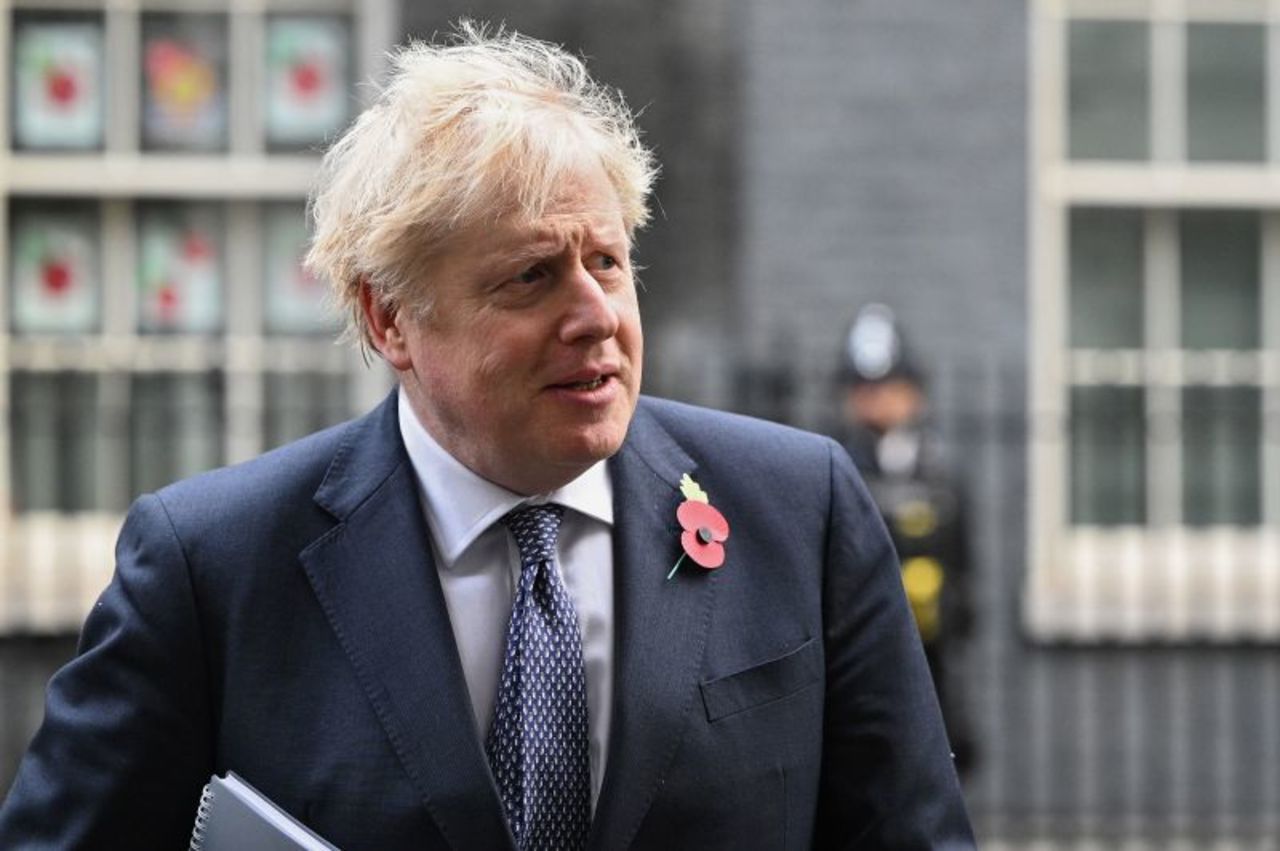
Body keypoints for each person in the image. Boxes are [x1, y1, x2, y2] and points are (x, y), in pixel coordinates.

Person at [0, 25, 975, 850]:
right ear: (389, 320)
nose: (596, 314)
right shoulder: (210, 565)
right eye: (530, 278)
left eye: (606, 259)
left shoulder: (796, 509)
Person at [837, 303, 978, 776]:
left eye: (888, 386)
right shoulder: (839, 464)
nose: (877, 400)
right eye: (865, 388)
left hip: (931, 653)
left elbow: (964, 562)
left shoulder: (939, 469)